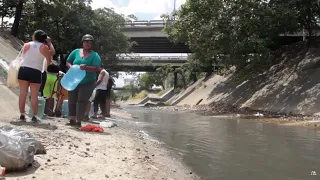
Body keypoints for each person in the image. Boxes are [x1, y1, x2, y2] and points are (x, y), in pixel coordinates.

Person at [18, 30, 54, 122]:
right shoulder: (44, 47)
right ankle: (35, 115)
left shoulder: (26, 44)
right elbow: (49, 61)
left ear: (34, 36)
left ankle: (22, 114)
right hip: (35, 71)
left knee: (22, 94)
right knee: (34, 95)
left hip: (23, 69)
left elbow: (23, 56)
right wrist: (49, 44)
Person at [66, 34, 101, 127]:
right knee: (72, 99)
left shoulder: (95, 55)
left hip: (88, 82)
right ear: (82, 43)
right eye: (86, 41)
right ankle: (72, 119)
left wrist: (86, 68)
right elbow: (68, 61)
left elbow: (96, 68)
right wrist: (71, 67)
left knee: (82, 100)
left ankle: (78, 120)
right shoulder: (76, 51)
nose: (87, 43)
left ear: (92, 44)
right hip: (74, 80)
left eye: (90, 42)